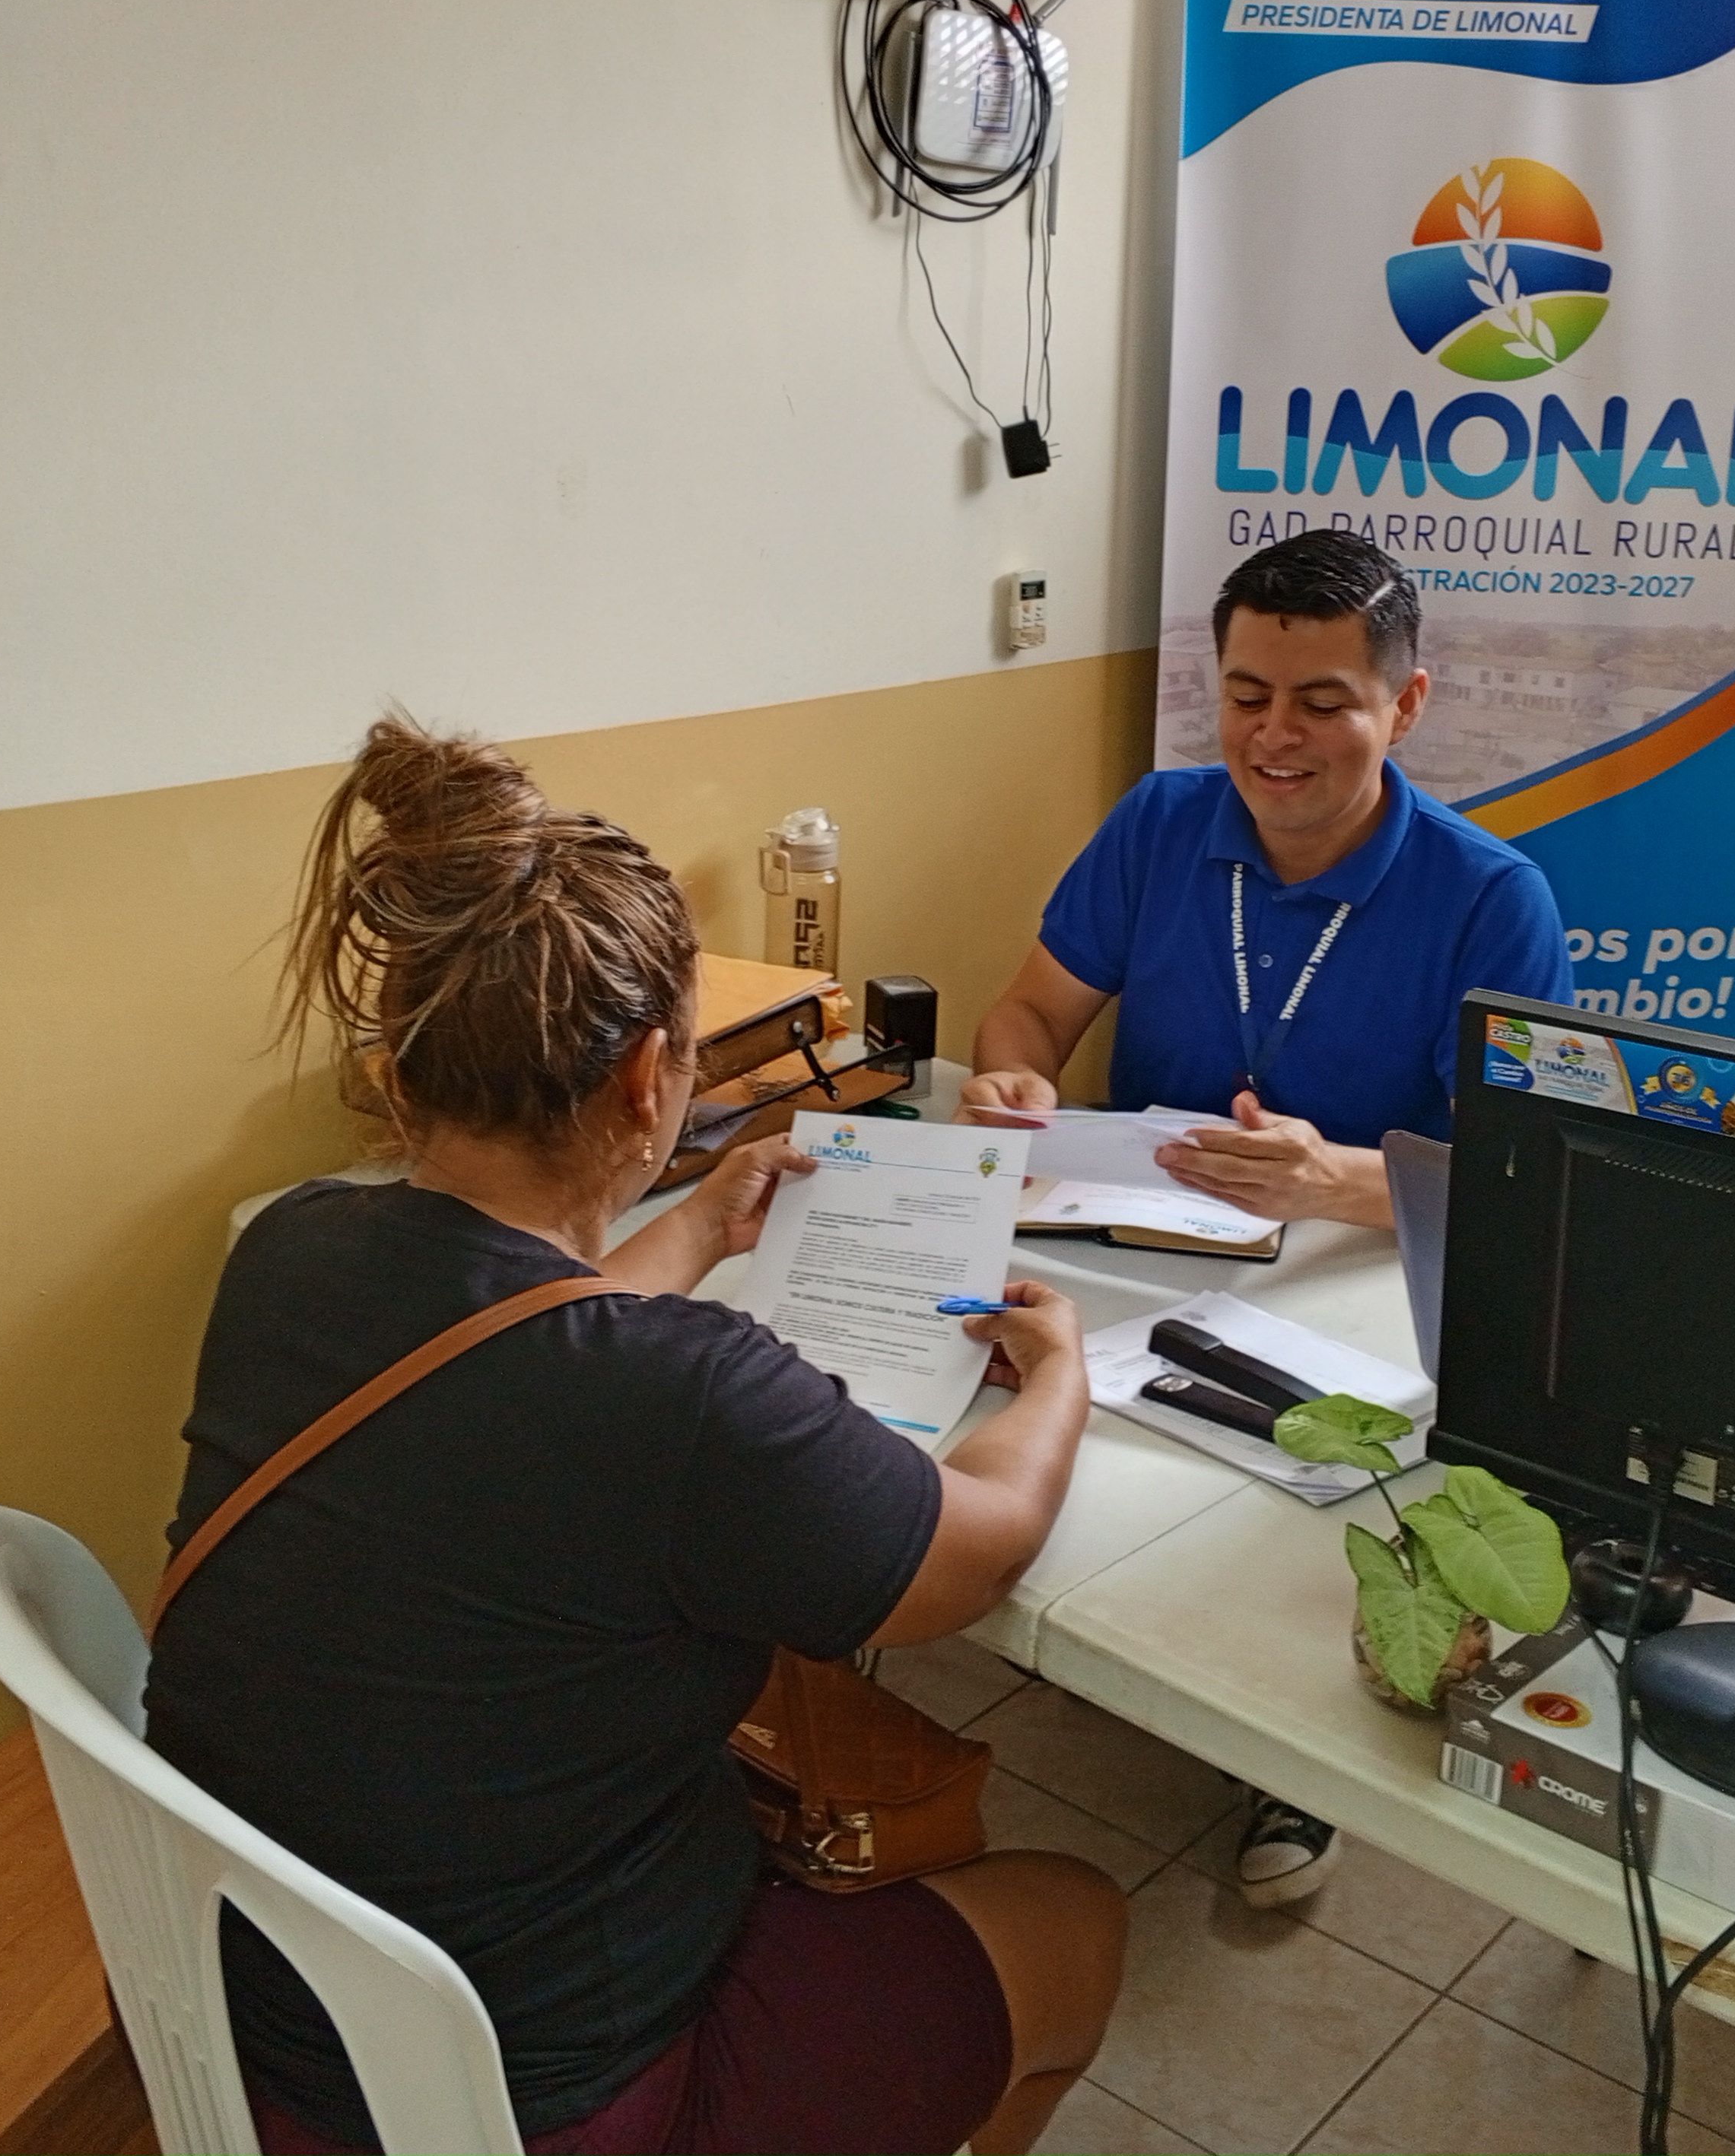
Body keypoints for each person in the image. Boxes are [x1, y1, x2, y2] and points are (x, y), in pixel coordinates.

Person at [145, 716, 1124, 2156]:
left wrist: (698, 1230)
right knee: (1076, 1923)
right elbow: (966, 1563)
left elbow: (514, 1339)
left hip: (271, 2029)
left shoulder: (291, 1248)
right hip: (547, 2097)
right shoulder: (683, 1394)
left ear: (404, 1068)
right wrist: (1060, 1381)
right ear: (651, 1074)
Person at [960, 529, 1575, 1900]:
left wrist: (1333, 1180)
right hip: (1130, 1239)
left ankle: (1288, 1763)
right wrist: (1014, 1079)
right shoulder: (1161, 822)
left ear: (1405, 707)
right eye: (1246, 696)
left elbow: (1520, 1187)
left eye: (1320, 703)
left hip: (1346, 1285)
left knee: (1289, 1526)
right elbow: (1032, 1011)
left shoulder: (1493, 901)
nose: (1272, 738)